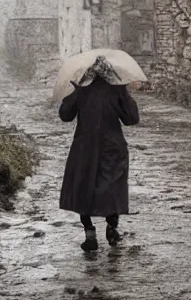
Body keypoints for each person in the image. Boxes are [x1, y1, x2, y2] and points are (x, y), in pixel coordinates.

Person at [58, 74, 140, 252]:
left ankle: (89, 232)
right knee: (112, 187)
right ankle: (112, 228)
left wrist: (75, 91)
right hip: (112, 148)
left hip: (85, 147)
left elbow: (65, 115)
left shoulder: (82, 91)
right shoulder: (117, 90)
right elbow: (132, 119)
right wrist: (124, 92)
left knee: (83, 186)